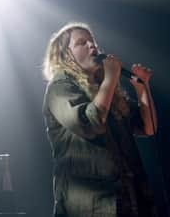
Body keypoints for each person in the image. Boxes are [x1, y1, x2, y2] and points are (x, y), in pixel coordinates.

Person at [42, 22, 158, 217]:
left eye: (92, 41)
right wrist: (110, 78)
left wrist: (142, 88)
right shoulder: (60, 87)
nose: (92, 46)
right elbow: (90, 123)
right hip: (91, 206)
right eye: (81, 43)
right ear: (65, 54)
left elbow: (149, 127)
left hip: (129, 199)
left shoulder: (106, 91)